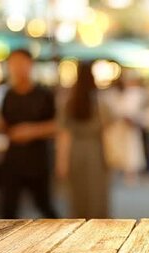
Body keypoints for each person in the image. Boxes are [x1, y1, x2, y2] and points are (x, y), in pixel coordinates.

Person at [0, 49, 58, 218]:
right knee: (8, 209)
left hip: (37, 159)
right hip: (13, 159)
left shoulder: (44, 94)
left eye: (21, 63)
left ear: (30, 65)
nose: (17, 68)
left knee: (44, 205)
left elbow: (57, 125)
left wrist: (31, 131)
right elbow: (5, 125)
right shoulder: (8, 95)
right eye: (13, 64)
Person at [56, 63, 110, 219]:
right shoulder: (100, 102)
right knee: (96, 194)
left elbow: (64, 135)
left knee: (77, 195)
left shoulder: (69, 102)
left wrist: (61, 162)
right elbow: (106, 131)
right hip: (95, 151)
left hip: (75, 151)